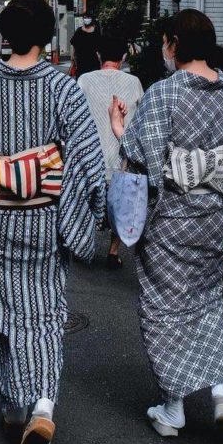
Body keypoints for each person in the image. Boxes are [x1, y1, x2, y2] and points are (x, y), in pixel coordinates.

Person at [0, 0, 106, 444]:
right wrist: (88, 211)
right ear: (47, 34)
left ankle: (17, 403)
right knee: (46, 309)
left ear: (6, 34)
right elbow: (87, 158)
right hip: (46, 218)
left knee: (3, 307)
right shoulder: (63, 88)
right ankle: (42, 403)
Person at [108, 9, 223, 439]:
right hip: (213, 218)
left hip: (171, 220)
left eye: (165, 42)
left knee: (163, 310)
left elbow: (143, 160)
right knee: (207, 302)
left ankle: (174, 407)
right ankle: (219, 394)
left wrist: (119, 128)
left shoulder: (166, 93)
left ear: (174, 42)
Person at [78, 34, 144, 269]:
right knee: (122, 204)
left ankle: (84, 242)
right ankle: (113, 251)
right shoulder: (134, 83)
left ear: (98, 56)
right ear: (124, 57)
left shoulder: (84, 80)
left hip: (90, 159)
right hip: (121, 160)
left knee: (84, 202)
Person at [70, 13, 101, 77]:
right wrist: (72, 56)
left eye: (88, 17)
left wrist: (100, 57)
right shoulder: (79, 31)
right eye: (85, 17)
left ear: (91, 19)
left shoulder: (96, 31)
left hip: (94, 63)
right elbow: (73, 44)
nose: (86, 19)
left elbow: (99, 46)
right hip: (81, 63)